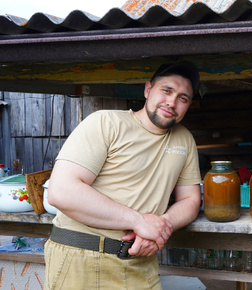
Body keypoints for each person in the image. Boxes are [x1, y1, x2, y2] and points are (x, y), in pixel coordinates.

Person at [44, 61, 202, 289]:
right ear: (148, 89)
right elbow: (61, 192)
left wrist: (160, 227)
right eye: (166, 91)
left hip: (140, 261)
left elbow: (191, 200)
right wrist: (139, 221)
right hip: (82, 257)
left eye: (183, 98)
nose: (172, 102)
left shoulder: (184, 139)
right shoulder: (106, 122)